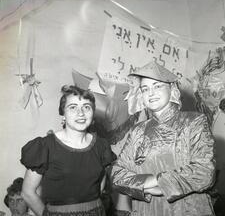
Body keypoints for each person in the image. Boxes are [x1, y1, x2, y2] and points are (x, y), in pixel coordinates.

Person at [111, 61, 216, 216]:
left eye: (157, 86)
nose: (151, 93)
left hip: (187, 209)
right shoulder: (137, 130)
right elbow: (117, 174)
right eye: (145, 89)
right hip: (145, 209)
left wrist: (157, 183)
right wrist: (148, 183)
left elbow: (204, 171)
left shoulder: (194, 121)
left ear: (171, 88)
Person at [20, 85, 116, 216]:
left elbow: (100, 185)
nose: (81, 113)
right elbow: (28, 193)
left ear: (93, 114)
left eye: (86, 107)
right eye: (73, 107)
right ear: (63, 115)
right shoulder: (45, 146)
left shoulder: (101, 145)